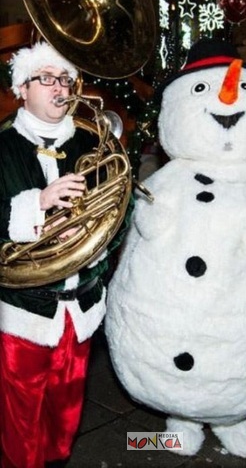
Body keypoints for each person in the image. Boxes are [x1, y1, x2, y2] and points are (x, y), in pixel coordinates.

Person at [0, 41, 130, 468]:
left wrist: (89, 241)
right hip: (25, 310)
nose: (60, 88)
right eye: (47, 78)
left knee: (66, 409)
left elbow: (118, 217)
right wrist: (37, 205)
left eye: (66, 79)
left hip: (82, 307)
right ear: (22, 88)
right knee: (20, 417)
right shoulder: (2, 146)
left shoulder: (92, 143)